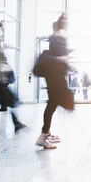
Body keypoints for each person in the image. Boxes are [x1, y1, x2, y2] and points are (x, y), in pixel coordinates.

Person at [36, 14, 72, 149]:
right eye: (66, 20)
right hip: (54, 77)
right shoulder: (57, 37)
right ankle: (43, 135)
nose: (67, 22)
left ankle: (46, 133)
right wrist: (62, 59)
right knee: (52, 104)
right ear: (61, 21)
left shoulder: (57, 36)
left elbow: (55, 56)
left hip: (54, 76)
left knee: (52, 104)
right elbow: (54, 58)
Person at [0, 20, 9, 112]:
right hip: (3, 70)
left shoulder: (6, 38)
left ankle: (5, 105)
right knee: (3, 90)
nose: (2, 27)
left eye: (3, 25)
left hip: (4, 71)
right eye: (1, 25)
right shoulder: (1, 38)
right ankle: (4, 106)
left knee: (3, 89)